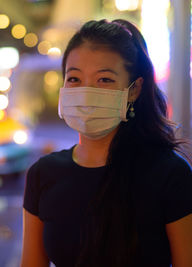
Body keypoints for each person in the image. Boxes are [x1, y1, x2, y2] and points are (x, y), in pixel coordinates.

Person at [21, 19, 192, 267]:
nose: (86, 93)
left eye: (104, 80)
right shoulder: (43, 174)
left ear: (134, 90)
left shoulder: (170, 175)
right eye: (74, 79)